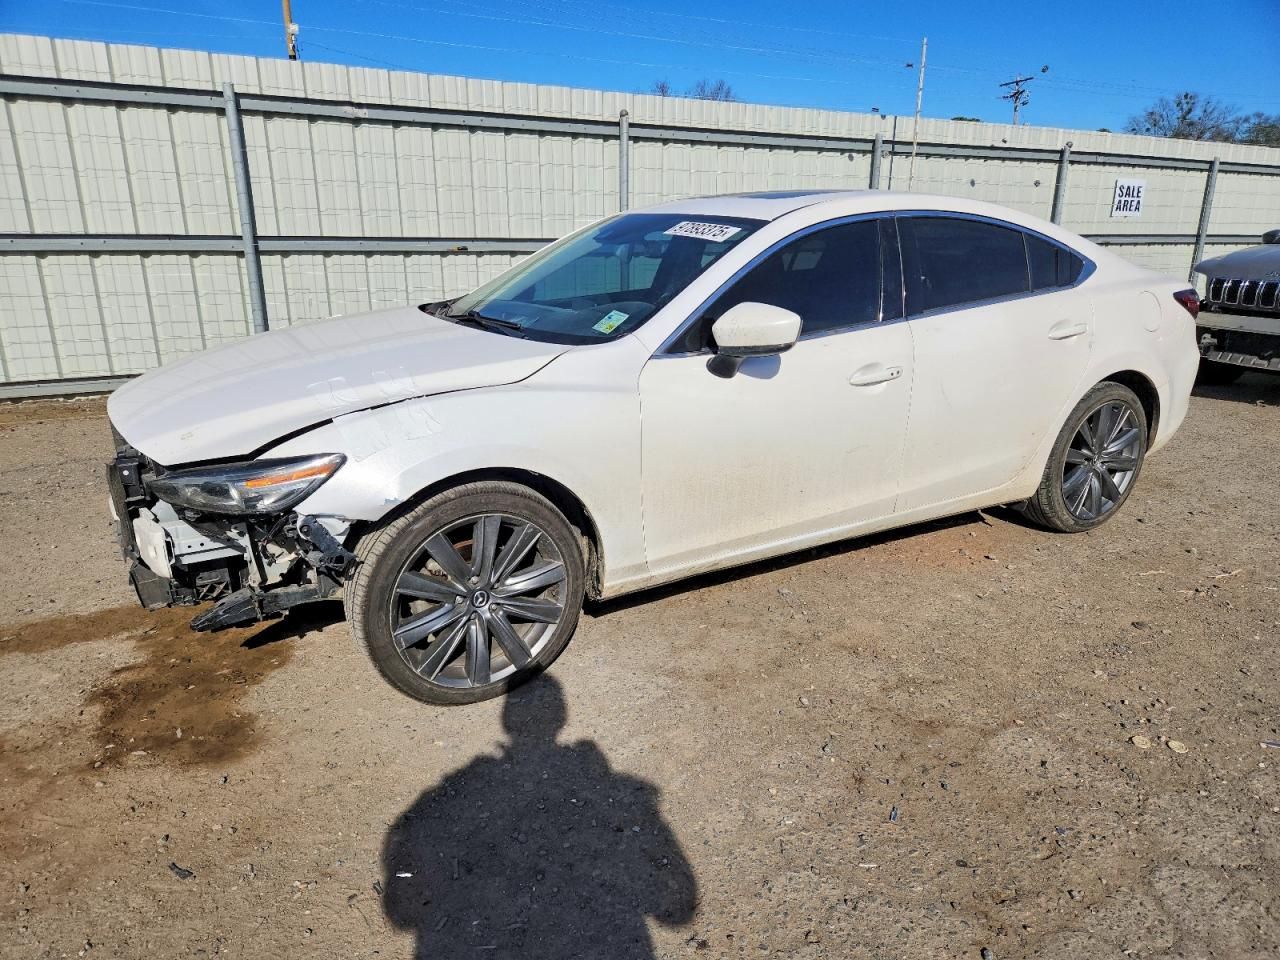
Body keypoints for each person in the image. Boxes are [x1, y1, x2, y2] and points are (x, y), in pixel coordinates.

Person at [381, 675, 697, 959]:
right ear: (561, 718)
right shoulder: (620, 791)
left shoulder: (465, 783)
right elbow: (675, 911)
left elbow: (402, 894)